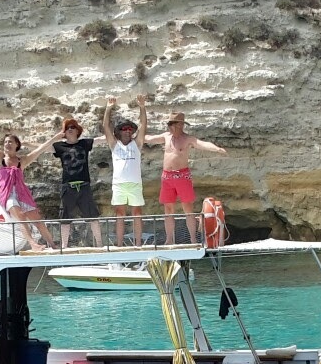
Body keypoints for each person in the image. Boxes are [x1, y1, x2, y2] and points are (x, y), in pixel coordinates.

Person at [0, 117, 56, 251]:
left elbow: (40, 149)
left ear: (17, 145)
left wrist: (55, 138)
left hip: (22, 194)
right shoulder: (0, 159)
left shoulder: (22, 161)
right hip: (7, 195)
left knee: (38, 220)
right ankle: (33, 244)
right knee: (21, 217)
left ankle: (53, 245)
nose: (7, 144)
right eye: (5, 142)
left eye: (10, 142)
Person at [147, 111, 227, 245]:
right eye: (170, 125)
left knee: (187, 209)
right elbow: (149, 138)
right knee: (168, 209)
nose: (171, 128)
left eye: (173, 125)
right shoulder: (166, 136)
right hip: (167, 177)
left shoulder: (187, 139)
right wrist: (136, 136)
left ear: (181, 125)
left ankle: (193, 239)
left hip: (182, 176)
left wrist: (217, 149)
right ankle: (169, 239)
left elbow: (202, 144)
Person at [97, 94, 147, 246]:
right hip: (119, 185)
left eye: (129, 129)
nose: (127, 131)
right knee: (120, 214)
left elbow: (143, 125)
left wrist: (142, 107)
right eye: (124, 129)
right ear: (118, 132)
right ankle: (119, 245)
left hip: (135, 184)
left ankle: (138, 244)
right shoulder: (114, 145)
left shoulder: (136, 144)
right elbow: (106, 127)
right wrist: (108, 108)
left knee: (137, 213)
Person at [47, 117, 104, 249]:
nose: (70, 129)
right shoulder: (60, 146)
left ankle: (100, 245)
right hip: (68, 187)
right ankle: (64, 246)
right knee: (65, 217)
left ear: (78, 129)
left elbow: (101, 140)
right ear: (64, 132)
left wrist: (114, 135)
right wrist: (25, 144)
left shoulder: (84, 143)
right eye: (67, 128)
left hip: (84, 186)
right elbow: (42, 149)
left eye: (73, 127)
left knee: (93, 215)